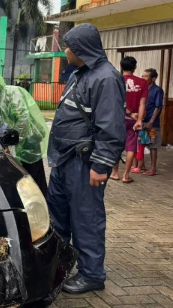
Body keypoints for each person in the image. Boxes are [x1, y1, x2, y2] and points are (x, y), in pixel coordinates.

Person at [47, 23, 125, 294]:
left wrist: (101, 164)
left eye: (67, 46)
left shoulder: (106, 78)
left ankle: (92, 274)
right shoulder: (80, 73)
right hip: (64, 159)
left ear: (80, 48)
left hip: (85, 163)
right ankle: (60, 263)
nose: (65, 50)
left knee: (86, 218)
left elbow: (111, 126)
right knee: (57, 216)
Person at [0, 67, 49, 195]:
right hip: (7, 144)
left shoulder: (12, 93)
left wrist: (16, 143)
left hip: (28, 142)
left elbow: (23, 119)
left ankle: (42, 207)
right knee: (15, 179)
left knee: (34, 178)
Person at [110, 56, 147, 183]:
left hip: (118, 118)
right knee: (131, 147)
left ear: (121, 66)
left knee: (116, 145)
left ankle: (115, 173)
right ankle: (126, 175)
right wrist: (139, 120)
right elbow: (143, 103)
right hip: (134, 119)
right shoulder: (142, 83)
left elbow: (115, 101)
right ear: (135, 67)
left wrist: (128, 113)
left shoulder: (116, 80)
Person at [132, 68, 163, 176]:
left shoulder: (157, 90)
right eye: (142, 76)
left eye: (146, 76)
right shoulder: (142, 89)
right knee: (140, 143)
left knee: (153, 145)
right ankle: (142, 165)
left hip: (152, 123)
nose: (143, 78)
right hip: (141, 121)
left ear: (153, 78)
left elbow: (158, 107)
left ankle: (153, 169)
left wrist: (151, 121)